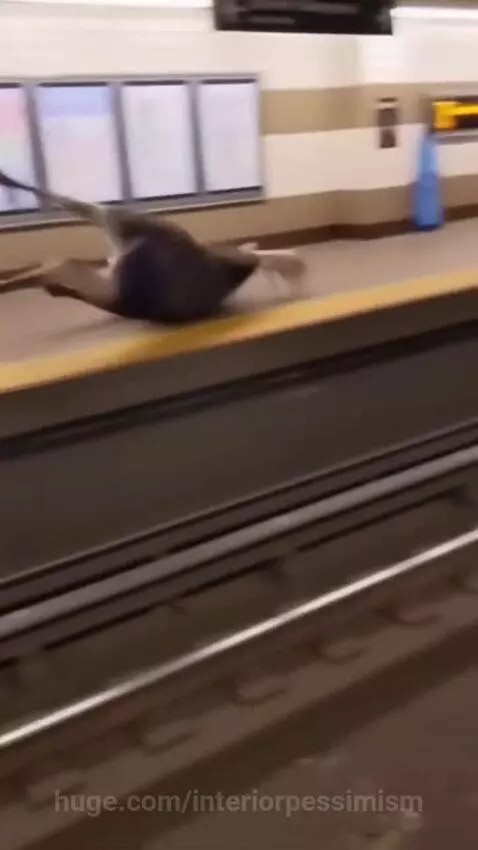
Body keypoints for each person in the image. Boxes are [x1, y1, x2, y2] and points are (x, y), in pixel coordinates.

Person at [0, 169, 305, 324]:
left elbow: (220, 260)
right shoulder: (124, 229)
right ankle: (44, 287)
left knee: (66, 272)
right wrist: (19, 186)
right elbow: (67, 202)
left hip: (170, 297)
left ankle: (62, 289)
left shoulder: (155, 246)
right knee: (64, 270)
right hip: (162, 287)